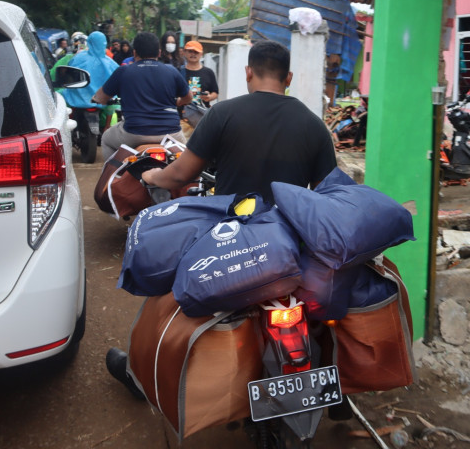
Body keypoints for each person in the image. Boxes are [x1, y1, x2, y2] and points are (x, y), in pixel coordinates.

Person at [105, 39, 336, 398]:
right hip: (291, 243)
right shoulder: (313, 125)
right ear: (288, 77)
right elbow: (326, 194)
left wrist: (150, 177)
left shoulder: (223, 114)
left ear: (248, 73)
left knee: (169, 292)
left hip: (232, 237)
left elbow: (180, 175)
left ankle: (140, 375)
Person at [92, 32, 192, 159]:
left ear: (134, 53)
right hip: (171, 133)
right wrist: (177, 102)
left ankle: (116, 177)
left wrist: (95, 98)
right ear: (159, 53)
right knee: (185, 156)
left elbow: (101, 98)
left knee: (106, 138)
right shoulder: (171, 70)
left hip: (134, 133)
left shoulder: (123, 71)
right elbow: (188, 97)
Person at [180, 40, 219, 107]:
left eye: (196, 52)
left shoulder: (208, 72)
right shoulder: (179, 72)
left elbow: (215, 92)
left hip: (202, 114)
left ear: (201, 54)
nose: (193, 54)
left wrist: (209, 97)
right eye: (190, 51)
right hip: (182, 114)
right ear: (184, 53)